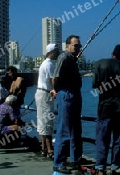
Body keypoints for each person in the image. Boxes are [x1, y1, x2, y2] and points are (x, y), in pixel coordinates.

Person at [92, 44, 120, 175]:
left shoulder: (99, 64)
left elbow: (95, 85)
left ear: (112, 53)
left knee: (102, 139)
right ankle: (115, 167)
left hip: (104, 109)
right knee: (118, 139)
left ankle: (100, 168)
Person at [52, 35, 83, 174]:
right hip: (66, 95)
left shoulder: (72, 59)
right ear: (67, 46)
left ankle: (76, 160)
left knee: (76, 129)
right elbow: (55, 77)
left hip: (75, 94)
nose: (77, 48)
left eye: (79, 46)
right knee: (64, 129)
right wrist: (58, 90)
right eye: (75, 46)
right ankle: (59, 162)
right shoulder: (63, 57)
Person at [35, 43, 59, 159]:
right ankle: (50, 150)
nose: (58, 53)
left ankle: (44, 148)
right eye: (56, 51)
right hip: (45, 94)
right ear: (51, 52)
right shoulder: (49, 64)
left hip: (42, 93)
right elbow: (52, 80)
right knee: (47, 121)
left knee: (42, 121)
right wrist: (57, 90)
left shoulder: (45, 63)